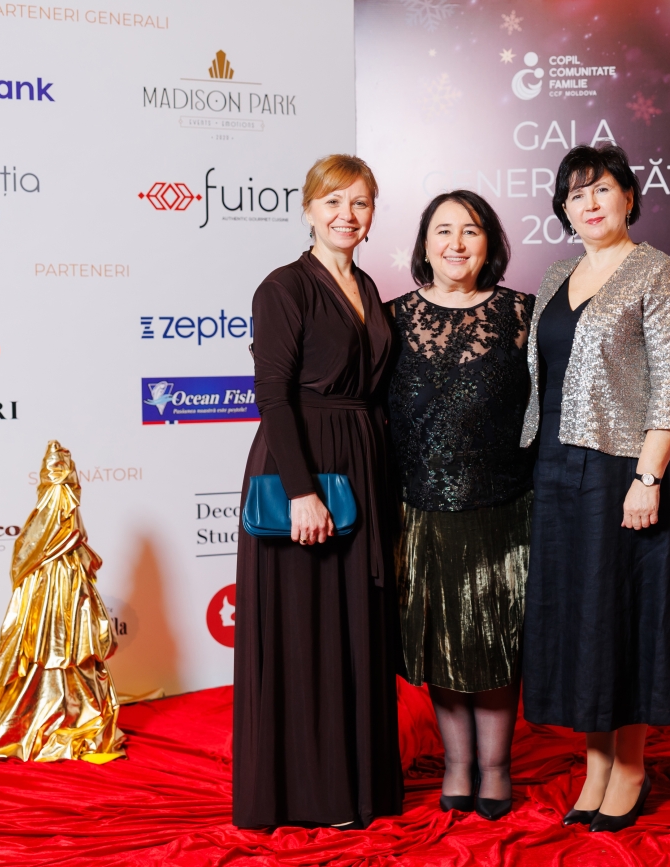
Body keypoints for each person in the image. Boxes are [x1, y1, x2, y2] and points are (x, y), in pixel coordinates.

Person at [519, 145, 670, 833]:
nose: (590, 203)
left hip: (622, 472)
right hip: (554, 469)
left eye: (602, 189)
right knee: (583, 620)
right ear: (564, 210)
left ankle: (629, 765)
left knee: (624, 616)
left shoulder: (657, 271)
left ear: (629, 197)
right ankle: (595, 761)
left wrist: (648, 476)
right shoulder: (556, 275)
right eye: (576, 194)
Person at [233, 154, 403, 829]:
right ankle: (309, 794)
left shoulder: (367, 285)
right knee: (306, 629)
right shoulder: (284, 287)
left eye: (360, 203)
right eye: (333, 202)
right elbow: (272, 395)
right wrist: (300, 492)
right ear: (308, 209)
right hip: (301, 465)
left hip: (362, 463)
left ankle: (359, 786)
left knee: (354, 626)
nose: (347, 215)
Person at [387, 191, 533, 822]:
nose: (456, 243)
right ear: (424, 243)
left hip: (504, 508)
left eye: (470, 231)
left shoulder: (524, 313)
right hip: (420, 509)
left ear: (489, 242)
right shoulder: (390, 319)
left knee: (495, 643)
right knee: (442, 643)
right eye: (442, 231)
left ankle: (496, 768)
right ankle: (456, 764)